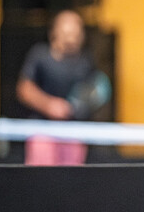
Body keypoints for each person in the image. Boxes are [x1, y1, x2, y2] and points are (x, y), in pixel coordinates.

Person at [16, 9, 97, 165]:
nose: (72, 38)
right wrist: (49, 105)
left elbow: (93, 92)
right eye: (67, 33)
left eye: (76, 33)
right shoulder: (39, 55)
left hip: (73, 132)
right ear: (55, 32)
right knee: (41, 176)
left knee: (71, 179)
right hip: (41, 129)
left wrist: (78, 107)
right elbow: (24, 89)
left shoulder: (86, 62)